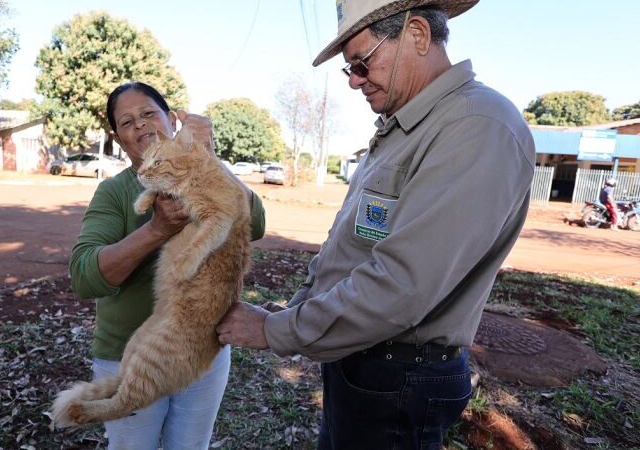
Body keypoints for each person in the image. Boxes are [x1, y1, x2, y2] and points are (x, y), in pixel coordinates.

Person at [216, 1, 535, 448]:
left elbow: (402, 285)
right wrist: (296, 310)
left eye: (362, 64)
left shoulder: (477, 126)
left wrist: (274, 331)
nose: (354, 82)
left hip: (400, 377)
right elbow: (352, 244)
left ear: (418, 35)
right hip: (365, 362)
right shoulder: (404, 127)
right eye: (350, 69)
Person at [69, 81, 266, 450]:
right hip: (132, 352)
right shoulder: (115, 192)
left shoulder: (204, 170)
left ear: (171, 120)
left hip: (202, 347)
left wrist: (209, 159)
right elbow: (84, 277)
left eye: (148, 114)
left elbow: (256, 223)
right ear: (118, 137)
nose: (140, 126)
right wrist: (158, 229)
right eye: (126, 122)